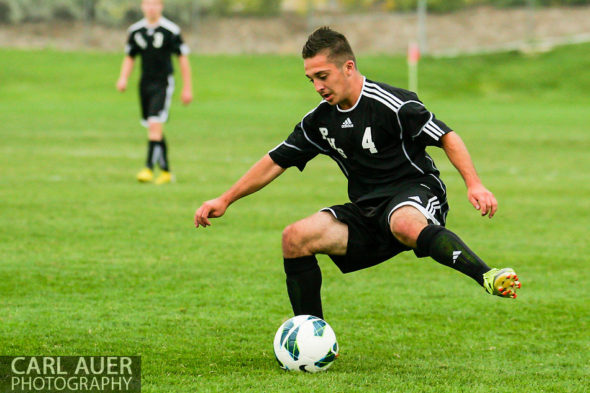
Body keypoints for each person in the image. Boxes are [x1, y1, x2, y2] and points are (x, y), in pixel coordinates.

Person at [194, 27, 520, 319]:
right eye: (312, 80)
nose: (318, 86)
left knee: (404, 221)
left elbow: (447, 136)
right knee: (295, 238)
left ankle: (487, 275)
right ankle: (312, 334)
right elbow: (274, 161)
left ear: (348, 67)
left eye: (323, 76)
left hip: (415, 191)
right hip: (367, 210)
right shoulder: (319, 122)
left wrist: (474, 184)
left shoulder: (392, 103)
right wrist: (225, 199)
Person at [116, 0, 193, 184]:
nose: (151, 7)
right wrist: (123, 78)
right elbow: (130, 57)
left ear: (161, 6)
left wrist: (187, 87)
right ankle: (165, 171)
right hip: (145, 83)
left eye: (155, 4)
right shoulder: (135, 31)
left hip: (164, 82)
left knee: (154, 123)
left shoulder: (171, 30)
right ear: (142, 6)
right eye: (148, 3)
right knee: (154, 127)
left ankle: (148, 168)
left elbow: (182, 59)